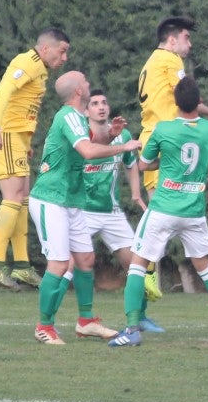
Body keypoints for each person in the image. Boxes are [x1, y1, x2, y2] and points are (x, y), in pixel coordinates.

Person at [108, 76, 208, 348]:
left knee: (137, 265)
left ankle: (132, 329)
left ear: (175, 103)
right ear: (199, 102)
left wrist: (161, 160)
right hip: (193, 210)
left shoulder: (163, 129)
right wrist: (207, 182)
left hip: (163, 208)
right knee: (205, 267)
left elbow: (144, 166)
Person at [29, 70, 141, 344]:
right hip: (50, 198)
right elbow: (88, 152)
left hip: (71, 200)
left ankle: (86, 321)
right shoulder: (67, 115)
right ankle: (44, 326)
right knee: (59, 263)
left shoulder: (77, 118)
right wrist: (123, 144)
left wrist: (109, 136)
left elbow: (90, 145)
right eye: (86, 82)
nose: (89, 84)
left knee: (85, 260)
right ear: (78, 91)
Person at [136, 16, 208, 297]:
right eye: (187, 37)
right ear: (172, 40)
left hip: (152, 137)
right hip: (165, 140)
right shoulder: (169, 60)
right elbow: (187, 97)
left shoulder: (152, 62)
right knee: (163, 214)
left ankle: (144, 284)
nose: (190, 43)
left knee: (157, 213)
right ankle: (145, 274)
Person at [0, 28, 71, 291]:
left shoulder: (40, 70)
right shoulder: (26, 63)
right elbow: (3, 92)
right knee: (13, 196)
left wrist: (26, 143)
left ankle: (22, 266)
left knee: (22, 198)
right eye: (61, 51)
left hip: (17, 139)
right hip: (5, 135)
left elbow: (23, 106)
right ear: (45, 49)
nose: (64, 58)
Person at [80, 88, 164, 334]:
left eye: (104, 102)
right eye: (94, 103)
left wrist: (136, 194)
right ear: (86, 111)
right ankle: (65, 321)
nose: (101, 107)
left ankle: (141, 317)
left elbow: (131, 165)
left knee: (138, 265)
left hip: (112, 212)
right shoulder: (80, 136)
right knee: (68, 266)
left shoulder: (123, 134)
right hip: (82, 212)